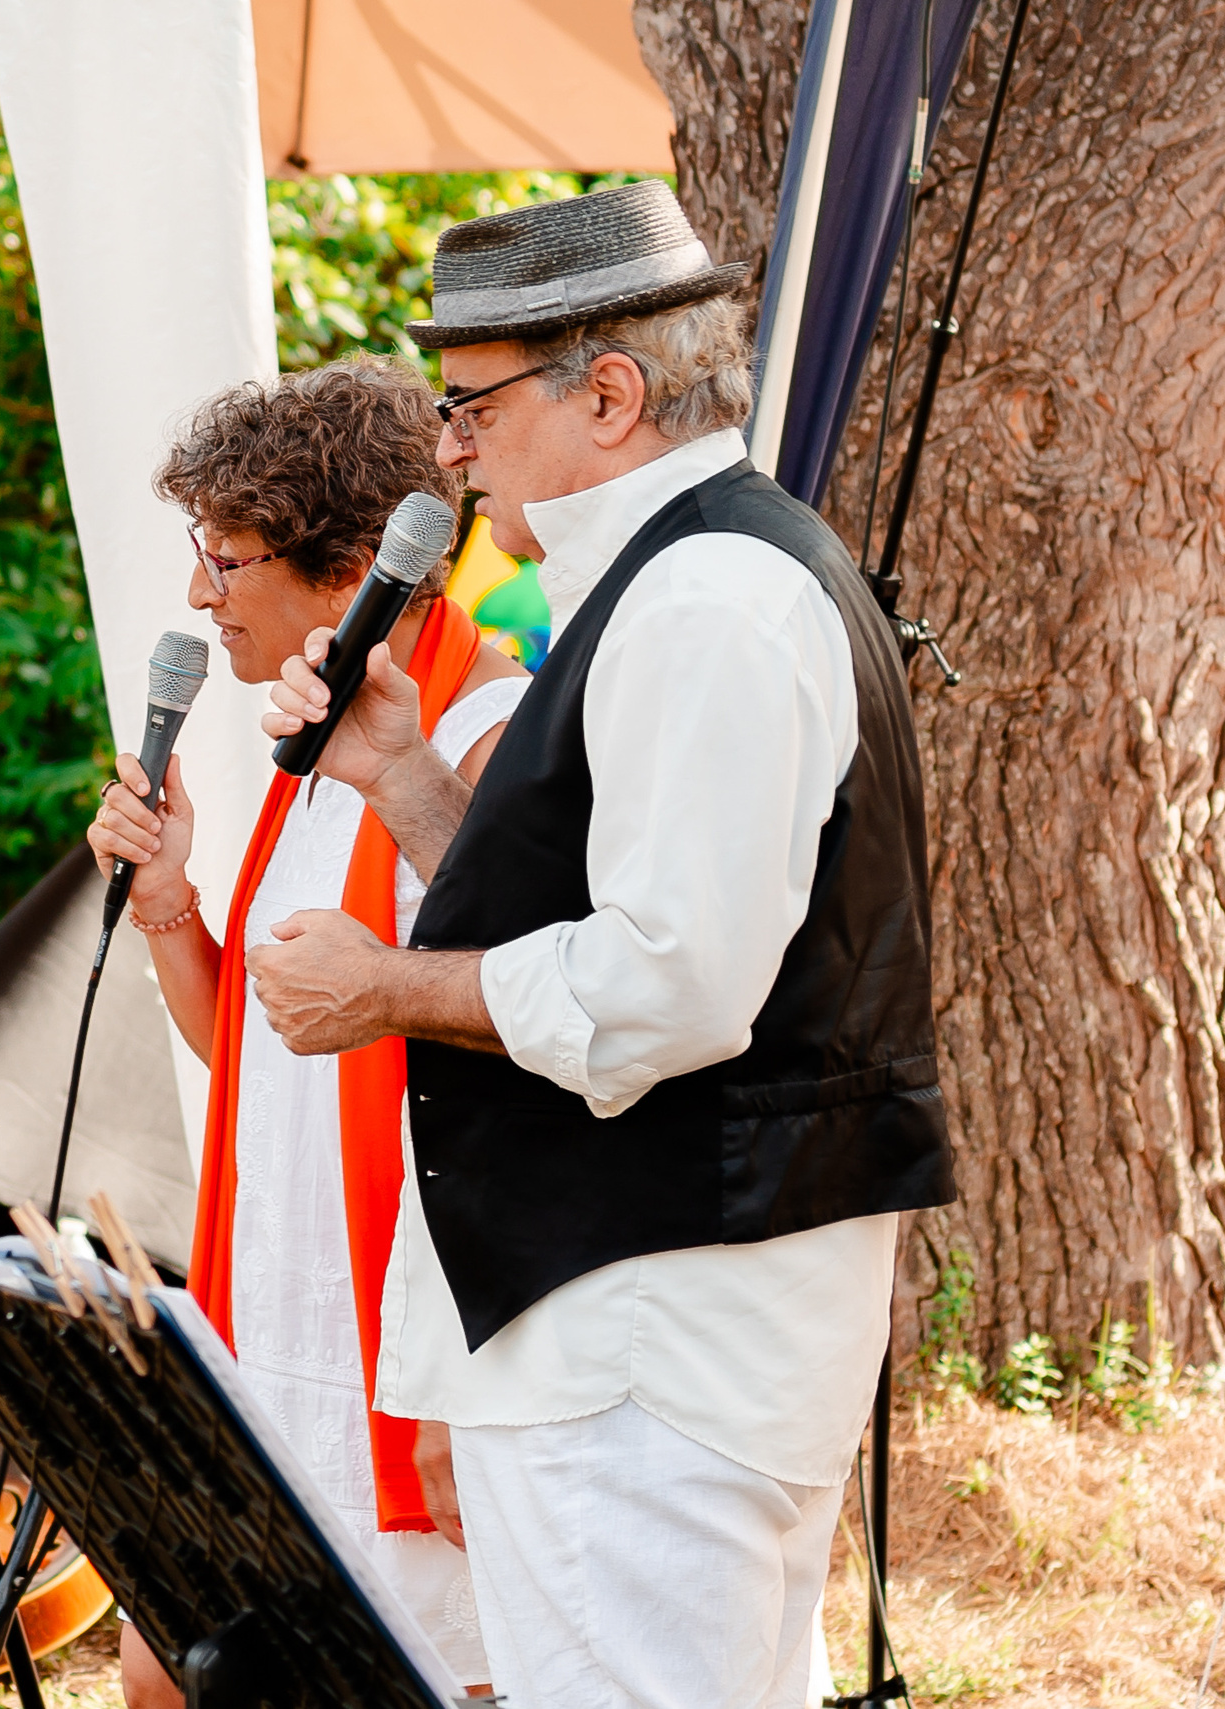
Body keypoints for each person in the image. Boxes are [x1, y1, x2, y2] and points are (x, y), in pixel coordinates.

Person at [256, 180, 956, 1707]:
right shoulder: (678, 580)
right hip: (653, 1327)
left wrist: (384, 987)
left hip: (657, 1346)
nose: (446, 450)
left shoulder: (708, 601)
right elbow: (600, 922)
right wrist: (411, 781)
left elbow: (667, 989)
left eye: (471, 406)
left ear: (612, 393)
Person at [87, 358, 524, 1701]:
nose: (198, 592)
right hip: (272, 1324)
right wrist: (169, 906)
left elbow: (524, 1068)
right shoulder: (306, 739)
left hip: (405, 1348)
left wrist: (459, 1382)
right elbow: (251, 1060)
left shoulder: (486, 729)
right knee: (166, 1671)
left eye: (224, 555)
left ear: (342, 566)